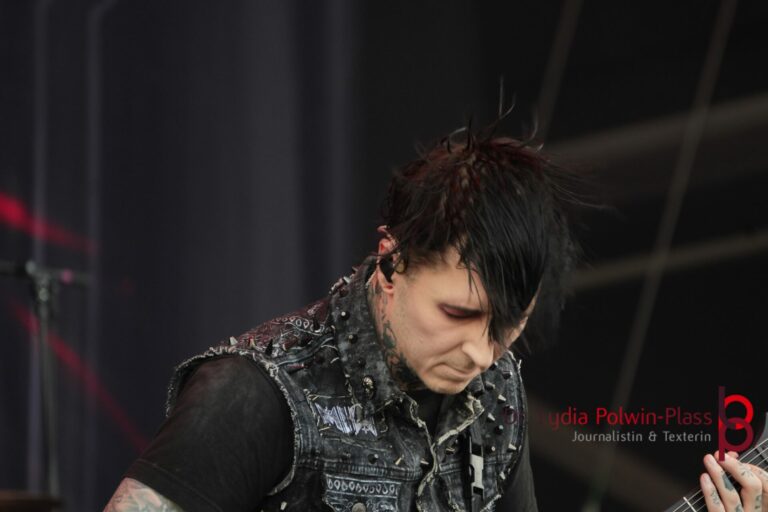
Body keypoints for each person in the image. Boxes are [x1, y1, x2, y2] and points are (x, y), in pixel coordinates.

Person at [104, 127, 580, 511]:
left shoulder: (497, 389)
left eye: (508, 325)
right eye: (457, 313)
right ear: (392, 264)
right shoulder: (253, 393)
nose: (481, 353)